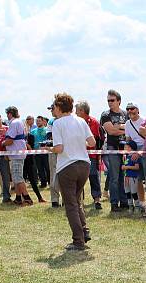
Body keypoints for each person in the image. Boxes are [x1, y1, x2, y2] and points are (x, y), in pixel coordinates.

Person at [46, 92, 95, 251]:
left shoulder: (58, 124)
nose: (53, 110)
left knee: (71, 205)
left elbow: (59, 148)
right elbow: (92, 142)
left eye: (53, 107)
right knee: (76, 201)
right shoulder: (81, 121)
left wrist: (50, 148)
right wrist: (78, 145)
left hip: (67, 166)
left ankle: (78, 240)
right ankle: (84, 231)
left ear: (59, 107)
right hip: (84, 165)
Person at [101, 89, 128, 211]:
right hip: (112, 148)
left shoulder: (126, 113)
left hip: (125, 148)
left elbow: (131, 129)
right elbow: (110, 131)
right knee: (114, 177)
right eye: (108, 100)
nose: (109, 103)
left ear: (119, 101)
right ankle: (114, 203)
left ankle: (124, 201)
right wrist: (123, 129)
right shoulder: (106, 114)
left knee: (123, 175)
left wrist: (119, 128)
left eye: (112, 100)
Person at [75, 101, 104, 209]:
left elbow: (99, 138)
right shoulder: (75, 122)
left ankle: (97, 200)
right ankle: (78, 201)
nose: (75, 112)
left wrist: (98, 153)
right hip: (77, 155)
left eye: (77, 110)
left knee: (93, 176)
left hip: (91, 155)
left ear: (82, 111)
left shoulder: (94, 122)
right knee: (78, 179)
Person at [3, 106, 33, 205]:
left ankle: (27, 197)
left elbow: (10, 140)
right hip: (17, 153)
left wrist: (2, 143)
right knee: (16, 176)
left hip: (16, 153)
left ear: (10, 114)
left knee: (17, 177)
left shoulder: (14, 123)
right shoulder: (19, 122)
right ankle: (18, 198)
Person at [124, 102, 146, 206]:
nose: (130, 111)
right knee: (137, 178)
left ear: (137, 110)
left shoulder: (144, 120)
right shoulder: (128, 123)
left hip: (145, 149)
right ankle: (141, 203)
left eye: (132, 109)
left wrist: (140, 152)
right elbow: (128, 139)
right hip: (133, 150)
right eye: (128, 109)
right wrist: (129, 152)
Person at [120, 141, 141, 212]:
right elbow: (125, 166)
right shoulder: (126, 157)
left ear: (131, 148)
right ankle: (130, 206)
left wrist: (127, 167)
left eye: (126, 147)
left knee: (134, 192)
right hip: (126, 177)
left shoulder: (134, 156)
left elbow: (137, 167)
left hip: (133, 177)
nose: (125, 148)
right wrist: (123, 167)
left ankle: (137, 206)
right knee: (127, 192)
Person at [31, 116, 50, 188]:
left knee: (47, 168)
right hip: (37, 153)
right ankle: (43, 183)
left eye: (39, 121)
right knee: (40, 168)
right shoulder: (33, 131)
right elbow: (30, 142)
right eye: (37, 121)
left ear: (43, 121)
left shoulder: (47, 130)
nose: (38, 122)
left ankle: (50, 183)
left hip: (46, 152)